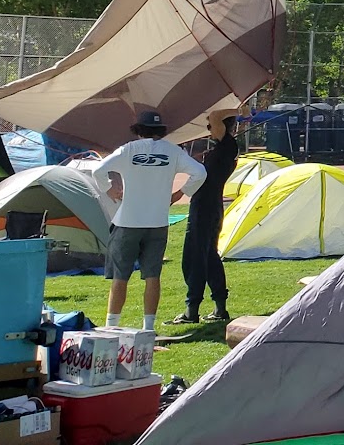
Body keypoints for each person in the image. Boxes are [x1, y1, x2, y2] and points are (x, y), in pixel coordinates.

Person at [90, 108, 206, 331]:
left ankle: (111, 327)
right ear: (161, 129)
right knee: (153, 276)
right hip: (158, 222)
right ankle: (148, 328)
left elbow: (98, 170)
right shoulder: (173, 151)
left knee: (120, 277)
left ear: (138, 130)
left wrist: (109, 189)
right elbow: (200, 172)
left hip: (127, 222)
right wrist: (180, 194)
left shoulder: (128, 150)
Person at [176, 108, 240, 324]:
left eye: (211, 125)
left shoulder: (227, 145)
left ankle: (191, 310)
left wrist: (239, 109)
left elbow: (215, 116)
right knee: (210, 257)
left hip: (204, 207)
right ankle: (220, 308)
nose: (209, 127)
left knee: (194, 257)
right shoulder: (225, 148)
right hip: (211, 206)